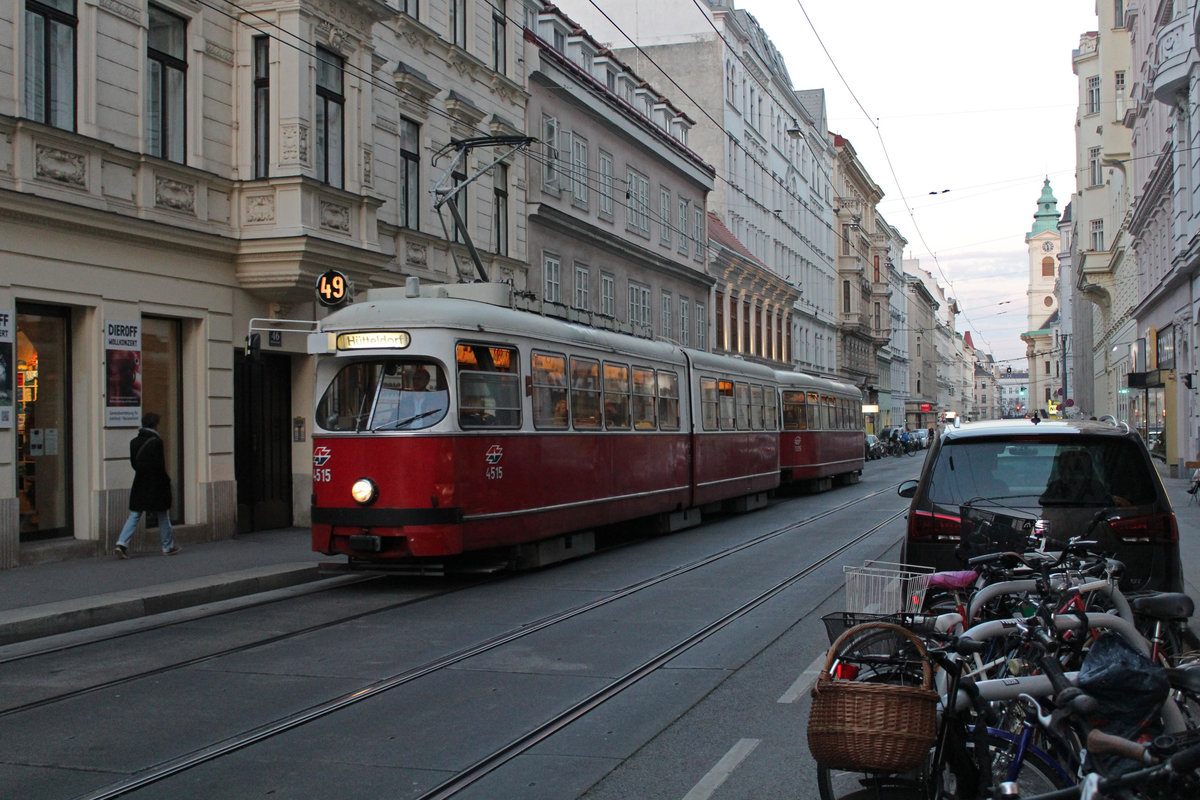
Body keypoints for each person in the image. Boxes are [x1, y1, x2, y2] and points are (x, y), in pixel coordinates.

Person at [114, 412, 179, 557]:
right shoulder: (156, 441)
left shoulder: (134, 442)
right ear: (155, 424)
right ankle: (167, 546)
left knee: (135, 514)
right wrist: (166, 481)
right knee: (163, 514)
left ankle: (122, 542)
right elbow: (159, 466)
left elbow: (134, 464)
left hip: (140, 481)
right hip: (156, 482)